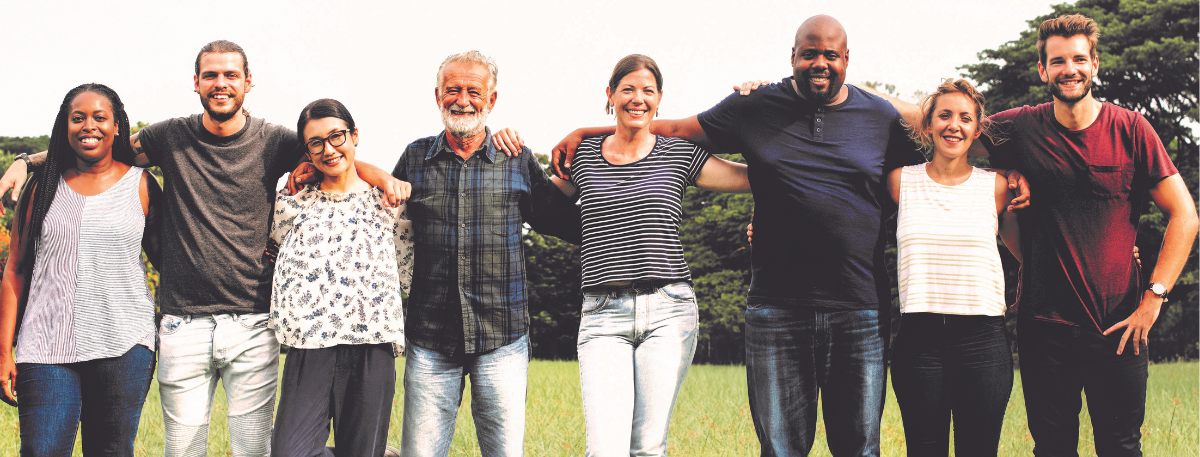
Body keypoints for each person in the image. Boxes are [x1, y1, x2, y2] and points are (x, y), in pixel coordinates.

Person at [544, 15, 943, 456]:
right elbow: (671, 128)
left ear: (847, 59)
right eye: (809, 53)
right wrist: (588, 132)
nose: (820, 63)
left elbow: (946, 131)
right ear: (792, 57)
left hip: (860, 307)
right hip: (776, 308)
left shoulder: (879, 115)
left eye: (831, 55)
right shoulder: (755, 106)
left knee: (861, 449)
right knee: (779, 449)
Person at [0, 40, 406, 456]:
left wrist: (381, 177)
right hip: (183, 323)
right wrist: (27, 162)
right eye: (210, 75)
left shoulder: (277, 141)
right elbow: (101, 143)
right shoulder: (169, 136)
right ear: (195, 83)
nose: (221, 83)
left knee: (255, 451)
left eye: (231, 74)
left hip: (253, 321)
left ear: (248, 82)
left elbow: (338, 154)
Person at [539, 54, 750, 457]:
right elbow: (539, 200)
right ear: (610, 95)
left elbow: (752, 177)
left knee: (648, 446)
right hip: (602, 312)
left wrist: (759, 112)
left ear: (659, 99)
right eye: (628, 89)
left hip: (669, 309)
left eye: (648, 91)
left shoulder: (679, 153)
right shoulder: (582, 154)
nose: (638, 99)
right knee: (604, 449)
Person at [390, 50, 581, 457]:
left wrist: (615, 189)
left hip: (502, 335)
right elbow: (378, 219)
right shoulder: (414, 158)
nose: (462, 100)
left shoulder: (515, 159)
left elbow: (562, 221)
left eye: (473, 91)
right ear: (437, 95)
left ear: (491, 100)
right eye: (452, 90)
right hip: (430, 336)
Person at [0, 83, 161, 456]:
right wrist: (4, 351)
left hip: (124, 345)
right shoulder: (41, 188)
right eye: (78, 118)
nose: (89, 126)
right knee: (42, 450)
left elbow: (169, 262)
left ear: (118, 126)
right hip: (45, 347)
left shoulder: (141, 185)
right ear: (65, 126)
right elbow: (15, 272)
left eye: (100, 117)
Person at [268, 99, 413, 456]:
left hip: (372, 343)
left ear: (355, 135)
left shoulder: (388, 200)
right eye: (315, 143)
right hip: (310, 346)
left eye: (337, 137)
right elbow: (273, 257)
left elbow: (408, 268)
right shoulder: (292, 202)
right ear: (306, 151)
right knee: (290, 452)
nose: (328, 149)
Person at [886, 79, 1020, 456]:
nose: (953, 125)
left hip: (983, 341)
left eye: (965, 118)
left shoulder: (997, 187)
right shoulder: (899, 182)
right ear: (927, 125)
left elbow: (1031, 252)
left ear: (977, 130)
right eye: (943, 116)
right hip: (918, 340)